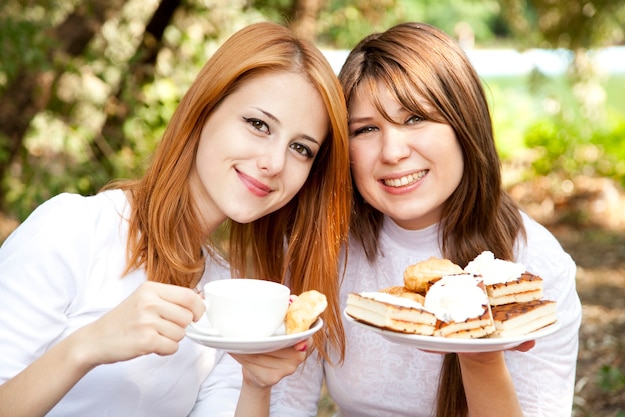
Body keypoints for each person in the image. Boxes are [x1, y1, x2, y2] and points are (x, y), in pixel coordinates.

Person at [0, 21, 351, 417]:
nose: (274, 163)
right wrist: (88, 345)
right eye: (258, 125)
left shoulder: (226, 293)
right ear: (204, 109)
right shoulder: (73, 229)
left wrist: (255, 384)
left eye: (301, 148)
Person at [270, 22, 582, 417]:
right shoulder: (326, 248)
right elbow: (288, 403)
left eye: (415, 118)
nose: (393, 151)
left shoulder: (535, 268)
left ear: (464, 125)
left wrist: (479, 355)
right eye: (366, 129)